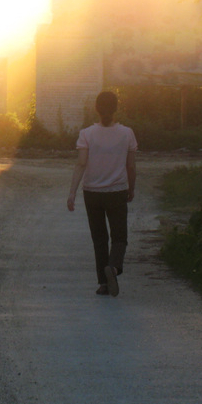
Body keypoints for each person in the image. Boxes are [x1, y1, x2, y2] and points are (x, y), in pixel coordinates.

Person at [66, 91, 137, 297]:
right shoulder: (127, 133)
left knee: (99, 239)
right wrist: (131, 188)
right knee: (119, 237)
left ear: (96, 109)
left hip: (92, 193)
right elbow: (131, 167)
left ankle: (103, 284)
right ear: (116, 109)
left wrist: (72, 193)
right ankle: (113, 269)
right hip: (117, 192)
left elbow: (81, 164)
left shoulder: (86, 133)